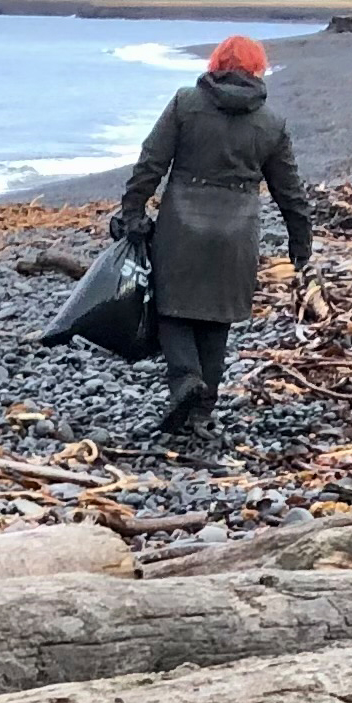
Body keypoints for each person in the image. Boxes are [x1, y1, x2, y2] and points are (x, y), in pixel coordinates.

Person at [114, 36, 314, 440]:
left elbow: (151, 161)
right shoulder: (271, 123)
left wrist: (132, 210)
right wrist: (300, 239)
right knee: (216, 320)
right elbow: (289, 189)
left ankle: (186, 380)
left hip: (181, 226)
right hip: (236, 234)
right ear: (258, 69)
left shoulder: (186, 103)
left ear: (216, 63)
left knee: (172, 309)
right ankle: (202, 414)